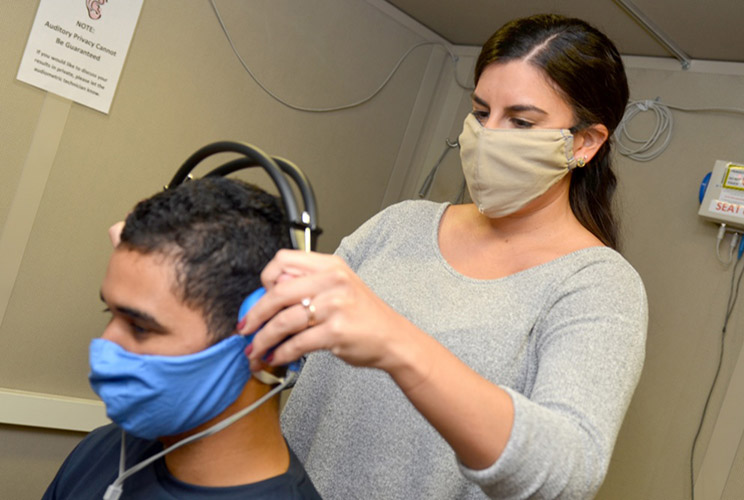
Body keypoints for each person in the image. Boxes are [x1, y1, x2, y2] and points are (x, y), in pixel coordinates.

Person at [239, 14, 647, 500]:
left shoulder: (597, 285)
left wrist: (397, 343)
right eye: (480, 112)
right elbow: (286, 352)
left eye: (520, 121)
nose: (488, 135)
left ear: (585, 142)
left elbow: (566, 473)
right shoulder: (400, 226)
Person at [44, 178, 321, 499]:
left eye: (141, 327)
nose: (105, 345)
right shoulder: (101, 452)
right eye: (110, 313)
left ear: (266, 337)